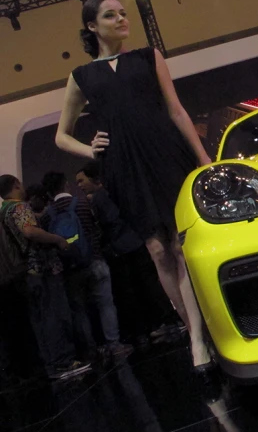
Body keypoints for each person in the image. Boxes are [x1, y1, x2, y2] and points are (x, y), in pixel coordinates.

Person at [54, 0, 213, 375]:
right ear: (92, 26)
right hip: (122, 166)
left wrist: (203, 157)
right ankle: (193, 329)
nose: (122, 19)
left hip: (165, 153)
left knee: (179, 246)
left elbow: (175, 109)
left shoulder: (147, 57)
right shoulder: (81, 77)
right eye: (111, 15)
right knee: (156, 249)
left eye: (124, 14)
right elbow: (61, 135)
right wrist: (90, 151)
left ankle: (197, 340)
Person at [76, 162, 181, 346]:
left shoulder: (100, 198)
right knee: (150, 284)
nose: (79, 185)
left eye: (81, 180)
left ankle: (164, 322)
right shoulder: (112, 191)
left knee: (145, 287)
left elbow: (112, 221)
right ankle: (169, 320)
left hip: (126, 247)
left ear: (93, 178)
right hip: (134, 242)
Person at [0, 175, 91, 380]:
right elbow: (30, 231)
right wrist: (57, 239)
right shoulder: (19, 207)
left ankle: (53, 364)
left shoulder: (3, 211)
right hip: (43, 269)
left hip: (24, 273)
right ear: (16, 185)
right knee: (55, 315)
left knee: (40, 319)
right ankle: (65, 362)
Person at [40, 171, 131, 359]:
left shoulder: (47, 215)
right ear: (65, 184)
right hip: (94, 260)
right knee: (106, 304)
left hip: (70, 268)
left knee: (80, 311)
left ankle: (92, 350)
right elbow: (95, 229)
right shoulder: (82, 203)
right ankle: (114, 344)